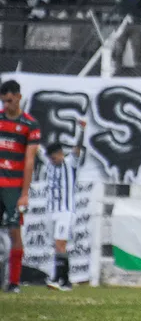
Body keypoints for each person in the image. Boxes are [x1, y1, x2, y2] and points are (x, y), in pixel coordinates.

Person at [0, 81, 41, 293]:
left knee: (15, 232)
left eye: (9, 100)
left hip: (14, 186)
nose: (7, 104)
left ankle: (14, 282)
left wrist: (24, 194)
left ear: (18, 97)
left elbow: (29, 161)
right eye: (3, 100)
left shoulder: (29, 124)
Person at [41, 120, 86, 291]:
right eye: (50, 159)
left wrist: (81, 130)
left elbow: (77, 148)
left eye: (54, 157)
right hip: (52, 211)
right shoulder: (49, 165)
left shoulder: (70, 163)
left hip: (66, 211)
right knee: (58, 246)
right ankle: (64, 280)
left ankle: (57, 278)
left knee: (60, 244)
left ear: (60, 154)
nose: (52, 161)